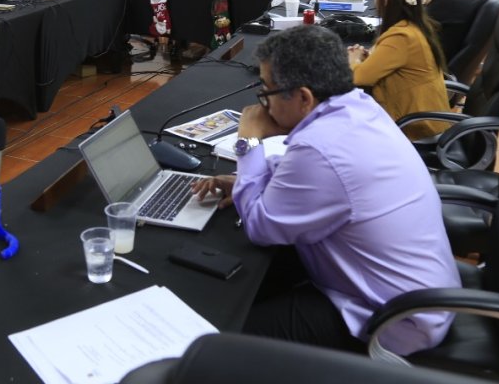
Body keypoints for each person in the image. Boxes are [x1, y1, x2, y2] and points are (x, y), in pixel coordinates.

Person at [191, 25, 458, 355]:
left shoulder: (320, 148)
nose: (262, 103)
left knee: (220, 342)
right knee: (254, 283)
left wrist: (248, 141)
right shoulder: (359, 106)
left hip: (392, 320)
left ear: (304, 98)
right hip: (414, 293)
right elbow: (322, 179)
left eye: (267, 90)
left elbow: (260, 228)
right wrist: (251, 180)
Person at [348, 0, 451, 139]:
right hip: (425, 119)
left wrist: (353, 59)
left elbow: (358, 78)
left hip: (416, 129)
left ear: (385, 0)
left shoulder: (401, 36)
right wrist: (372, 58)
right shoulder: (415, 27)